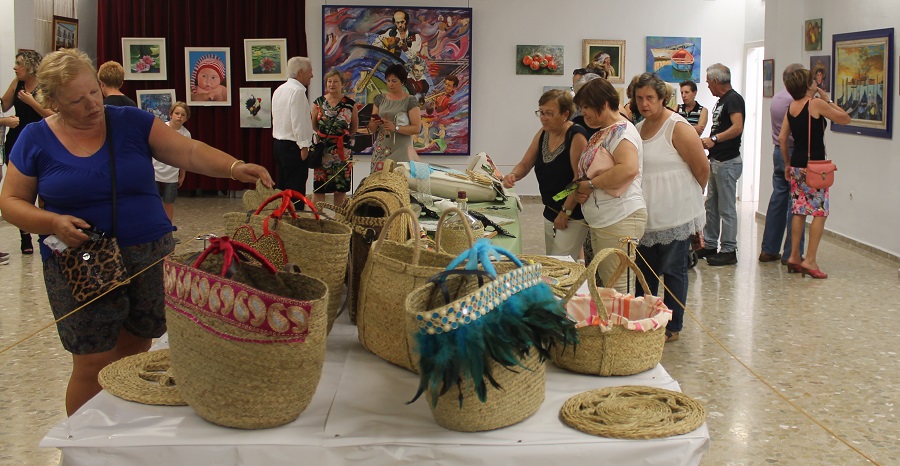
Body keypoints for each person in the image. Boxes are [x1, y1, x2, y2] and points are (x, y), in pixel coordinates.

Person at [0, 49, 273, 416]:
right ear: (52, 102)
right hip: (80, 264)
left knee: (135, 348)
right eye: (77, 101)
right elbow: (12, 201)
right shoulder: (35, 139)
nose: (93, 104)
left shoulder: (131, 121)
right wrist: (51, 223)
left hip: (147, 256)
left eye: (94, 92)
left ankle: (119, 427)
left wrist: (235, 167)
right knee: (91, 360)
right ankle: (83, 446)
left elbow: (189, 152)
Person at [632, 73, 709, 343]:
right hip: (648, 212)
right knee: (644, 270)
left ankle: (672, 325)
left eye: (650, 98)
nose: (644, 103)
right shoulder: (639, 128)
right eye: (640, 98)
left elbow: (702, 168)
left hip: (675, 210)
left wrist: (693, 197)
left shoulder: (678, 127)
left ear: (662, 99)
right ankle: (645, 318)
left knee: (674, 269)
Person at [572, 78, 647, 292]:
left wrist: (592, 185)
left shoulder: (622, 132)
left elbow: (628, 168)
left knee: (618, 289)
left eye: (586, 107)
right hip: (605, 220)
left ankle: (618, 326)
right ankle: (609, 325)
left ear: (603, 104)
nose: (583, 112)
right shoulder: (604, 131)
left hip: (620, 218)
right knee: (607, 285)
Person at [779, 68, 850, 279]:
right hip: (816, 167)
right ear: (809, 85)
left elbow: (783, 139)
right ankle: (810, 260)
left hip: (798, 166)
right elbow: (845, 118)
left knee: (799, 211)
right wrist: (827, 100)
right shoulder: (815, 104)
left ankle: (794, 256)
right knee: (820, 212)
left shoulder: (791, 107)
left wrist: (787, 164)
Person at [502, 89, 588, 260]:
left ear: (565, 114)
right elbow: (526, 163)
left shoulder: (576, 135)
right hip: (550, 209)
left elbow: (578, 180)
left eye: (549, 113)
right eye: (541, 112)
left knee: (559, 264)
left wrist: (565, 212)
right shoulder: (544, 133)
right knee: (553, 260)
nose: (543, 117)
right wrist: (513, 175)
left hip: (572, 213)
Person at [3, 50, 56, 255]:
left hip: (43, 141)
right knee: (21, 193)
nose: (15, 67)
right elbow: (4, 104)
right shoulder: (16, 83)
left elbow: (52, 115)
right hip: (17, 141)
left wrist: (32, 102)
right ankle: (25, 238)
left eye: (19, 64)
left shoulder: (43, 86)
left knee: (44, 191)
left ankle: (46, 231)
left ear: (31, 66)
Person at [699, 63, 745, 266]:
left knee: (726, 208)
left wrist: (714, 140)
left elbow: (737, 127)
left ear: (717, 81)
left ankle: (728, 249)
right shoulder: (721, 101)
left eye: (709, 82)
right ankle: (710, 244)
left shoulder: (734, 99)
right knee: (711, 205)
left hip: (727, 161)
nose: (708, 86)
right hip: (716, 160)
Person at [760, 64, 806, 265]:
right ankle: (791, 254)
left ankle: (769, 249)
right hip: (793, 153)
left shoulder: (777, 98)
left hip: (778, 151)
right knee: (795, 203)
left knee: (778, 199)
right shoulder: (795, 102)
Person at [311, 70, 358, 208]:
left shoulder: (350, 104)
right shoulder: (318, 103)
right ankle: (316, 222)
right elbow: (314, 125)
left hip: (342, 152)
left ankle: (339, 222)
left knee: (340, 189)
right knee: (320, 188)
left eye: (336, 81)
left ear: (342, 84)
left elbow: (353, 128)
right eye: (329, 81)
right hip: (323, 151)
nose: (332, 84)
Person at [272, 56, 315, 198]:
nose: (312, 75)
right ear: (301, 72)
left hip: (279, 145)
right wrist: (304, 146)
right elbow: (298, 121)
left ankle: (282, 216)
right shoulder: (297, 92)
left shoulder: (279, 89)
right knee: (296, 188)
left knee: (282, 186)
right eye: (310, 71)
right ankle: (295, 218)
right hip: (293, 146)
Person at [367, 63, 422, 172]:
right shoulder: (379, 99)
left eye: (394, 81)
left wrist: (395, 128)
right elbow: (371, 128)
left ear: (402, 82)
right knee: (378, 181)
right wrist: (374, 123)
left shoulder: (410, 100)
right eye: (388, 81)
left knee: (399, 181)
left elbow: (416, 128)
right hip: (382, 147)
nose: (390, 84)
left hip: (402, 149)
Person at [155, 101, 190, 224]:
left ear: (186, 118)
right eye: (177, 113)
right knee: (154, 202)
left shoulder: (186, 134)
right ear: (171, 114)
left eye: (183, 115)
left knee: (169, 203)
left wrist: (182, 175)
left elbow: (184, 157)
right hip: (155, 172)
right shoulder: (161, 128)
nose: (179, 116)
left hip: (171, 176)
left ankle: (168, 230)